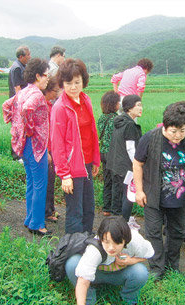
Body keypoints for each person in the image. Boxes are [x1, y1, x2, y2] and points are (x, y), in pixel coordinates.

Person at [133, 101, 185, 277]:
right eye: (174, 131)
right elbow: (138, 163)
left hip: (180, 196)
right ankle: (157, 268)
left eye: (182, 130)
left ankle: (172, 266)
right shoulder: (150, 138)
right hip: (154, 195)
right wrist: (139, 190)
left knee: (177, 232)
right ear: (165, 127)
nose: (178, 136)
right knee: (154, 231)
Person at [65, 216, 154, 305]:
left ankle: (128, 301)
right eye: (106, 242)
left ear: (126, 239)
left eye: (116, 242)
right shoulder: (95, 249)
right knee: (72, 264)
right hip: (97, 274)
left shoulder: (135, 240)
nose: (111, 247)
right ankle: (89, 302)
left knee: (140, 272)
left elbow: (148, 254)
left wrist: (130, 261)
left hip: (119, 274)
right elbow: (82, 281)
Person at [50, 58, 100, 234]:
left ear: (83, 82)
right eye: (68, 83)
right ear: (62, 83)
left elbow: (92, 133)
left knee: (89, 207)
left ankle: (86, 242)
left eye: (77, 82)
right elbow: (57, 144)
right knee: (75, 211)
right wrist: (64, 174)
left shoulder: (86, 100)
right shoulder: (60, 107)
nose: (73, 87)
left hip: (86, 162)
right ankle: (73, 250)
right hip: (72, 167)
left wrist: (95, 160)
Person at [3, 58, 51, 236]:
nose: (48, 79)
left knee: (31, 181)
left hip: (23, 144)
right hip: (36, 144)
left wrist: (16, 126)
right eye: (46, 75)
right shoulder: (37, 94)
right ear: (38, 75)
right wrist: (29, 128)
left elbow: (6, 105)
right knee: (40, 184)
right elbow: (26, 110)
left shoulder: (23, 91)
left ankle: (30, 218)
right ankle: (37, 224)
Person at [106, 95, 143, 221]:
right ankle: (123, 223)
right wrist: (137, 165)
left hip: (116, 164)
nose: (140, 108)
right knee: (128, 195)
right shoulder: (130, 125)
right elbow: (131, 148)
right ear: (129, 108)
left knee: (118, 194)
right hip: (126, 167)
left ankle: (116, 223)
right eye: (138, 105)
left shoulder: (120, 121)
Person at [97, 91, 120, 217]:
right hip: (113, 153)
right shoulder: (116, 119)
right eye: (118, 102)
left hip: (103, 153)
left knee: (107, 180)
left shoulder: (102, 118)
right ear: (114, 104)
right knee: (116, 181)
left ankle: (106, 207)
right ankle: (115, 208)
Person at [42, 76, 61, 223]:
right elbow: (43, 132)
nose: (57, 94)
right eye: (55, 90)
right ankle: (47, 212)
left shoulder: (49, 105)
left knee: (50, 180)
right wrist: (47, 151)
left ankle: (51, 209)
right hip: (46, 150)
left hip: (51, 148)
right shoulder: (44, 106)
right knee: (47, 182)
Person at [8, 46, 31, 162]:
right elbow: (17, 87)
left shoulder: (22, 66)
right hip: (17, 103)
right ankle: (16, 156)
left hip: (21, 101)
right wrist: (21, 104)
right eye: (28, 55)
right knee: (17, 129)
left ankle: (20, 153)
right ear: (21, 56)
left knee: (22, 129)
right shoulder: (16, 68)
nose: (29, 57)